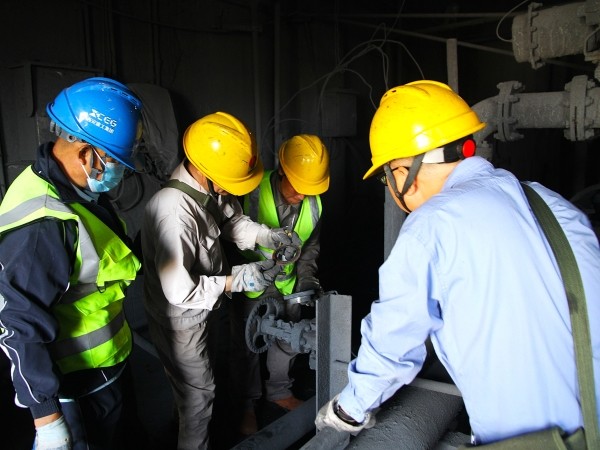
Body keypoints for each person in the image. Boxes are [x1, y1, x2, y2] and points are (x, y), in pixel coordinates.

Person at [315, 80, 600, 445]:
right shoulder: (551, 203)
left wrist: (347, 410)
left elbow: (393, 341)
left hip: (539, 441)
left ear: (403, 172)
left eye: (387, 177)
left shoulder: (430, 226)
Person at [141, 111, 301, 450]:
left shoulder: (207, 187)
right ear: (205, 170)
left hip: (205, 308)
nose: (231, 190)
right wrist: (236, 280)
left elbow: (231, 221)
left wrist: (267, 236)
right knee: (198, 398)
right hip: (182, 318)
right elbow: (180, 290)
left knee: (192, 388)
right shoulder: (176, 212)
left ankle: (179, 427)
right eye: (229, 182)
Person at [0, 77, 144, 450]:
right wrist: (47, 418)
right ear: (85, 154)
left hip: (108, 363)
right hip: (79, 383)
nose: (119, 173)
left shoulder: (72, 188)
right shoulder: (43, 227)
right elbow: (19, 325)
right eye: (114, 162)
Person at [231, 134, 329, 434]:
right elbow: (227, 236)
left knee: (290, 337)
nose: (303, 194)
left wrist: (307, 280)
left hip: (289, 285)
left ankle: (279, 392)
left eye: (309, 188)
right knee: (247, 346)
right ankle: (247, 404)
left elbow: (310, 248)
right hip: (252, 283)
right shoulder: (251, 190)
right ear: (283, 171)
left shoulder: (314, 204)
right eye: (298, 185)